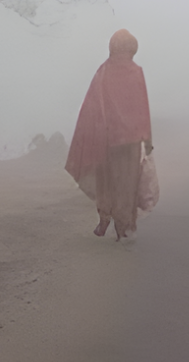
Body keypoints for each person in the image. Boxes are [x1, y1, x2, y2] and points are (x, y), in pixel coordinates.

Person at [65, 29, 153, 241]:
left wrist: (90, 133)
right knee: (127, 182)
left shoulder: (104, 71)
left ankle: (105, 218)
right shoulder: (136, 71)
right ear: (133, 48)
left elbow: (92, 106)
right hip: (130, 139)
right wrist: (147, 139)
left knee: (106, 181)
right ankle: (122, 226)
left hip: (107, 137)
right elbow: (143, 107)